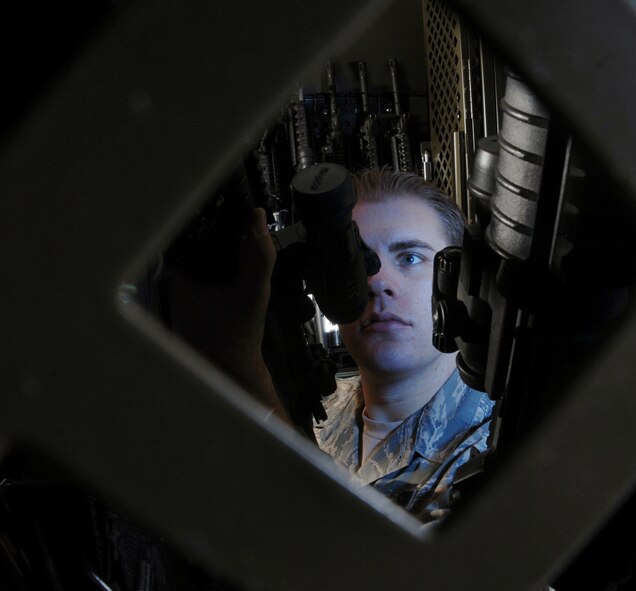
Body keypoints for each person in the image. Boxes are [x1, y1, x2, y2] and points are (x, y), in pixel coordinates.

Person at [168, 167, 494, 524]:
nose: (378, 281)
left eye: (410, 257)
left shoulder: (496, 447)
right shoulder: (317, 410)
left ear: (458, 278)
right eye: (354, 261)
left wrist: (241, 370)